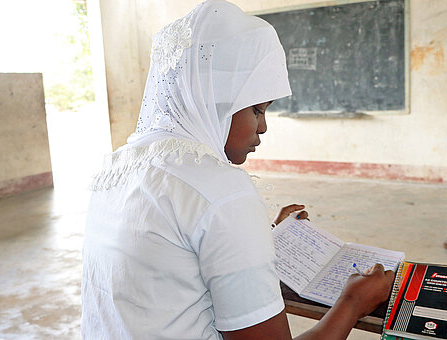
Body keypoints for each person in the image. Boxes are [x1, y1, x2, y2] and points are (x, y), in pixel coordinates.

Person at [81, 1, 394, 339]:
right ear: (213, 106)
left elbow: (166, 264)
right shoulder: (222, 192)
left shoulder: (117, 165)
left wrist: (260, 236)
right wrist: (352, 302)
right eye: (257, 110)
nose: (263, 127)